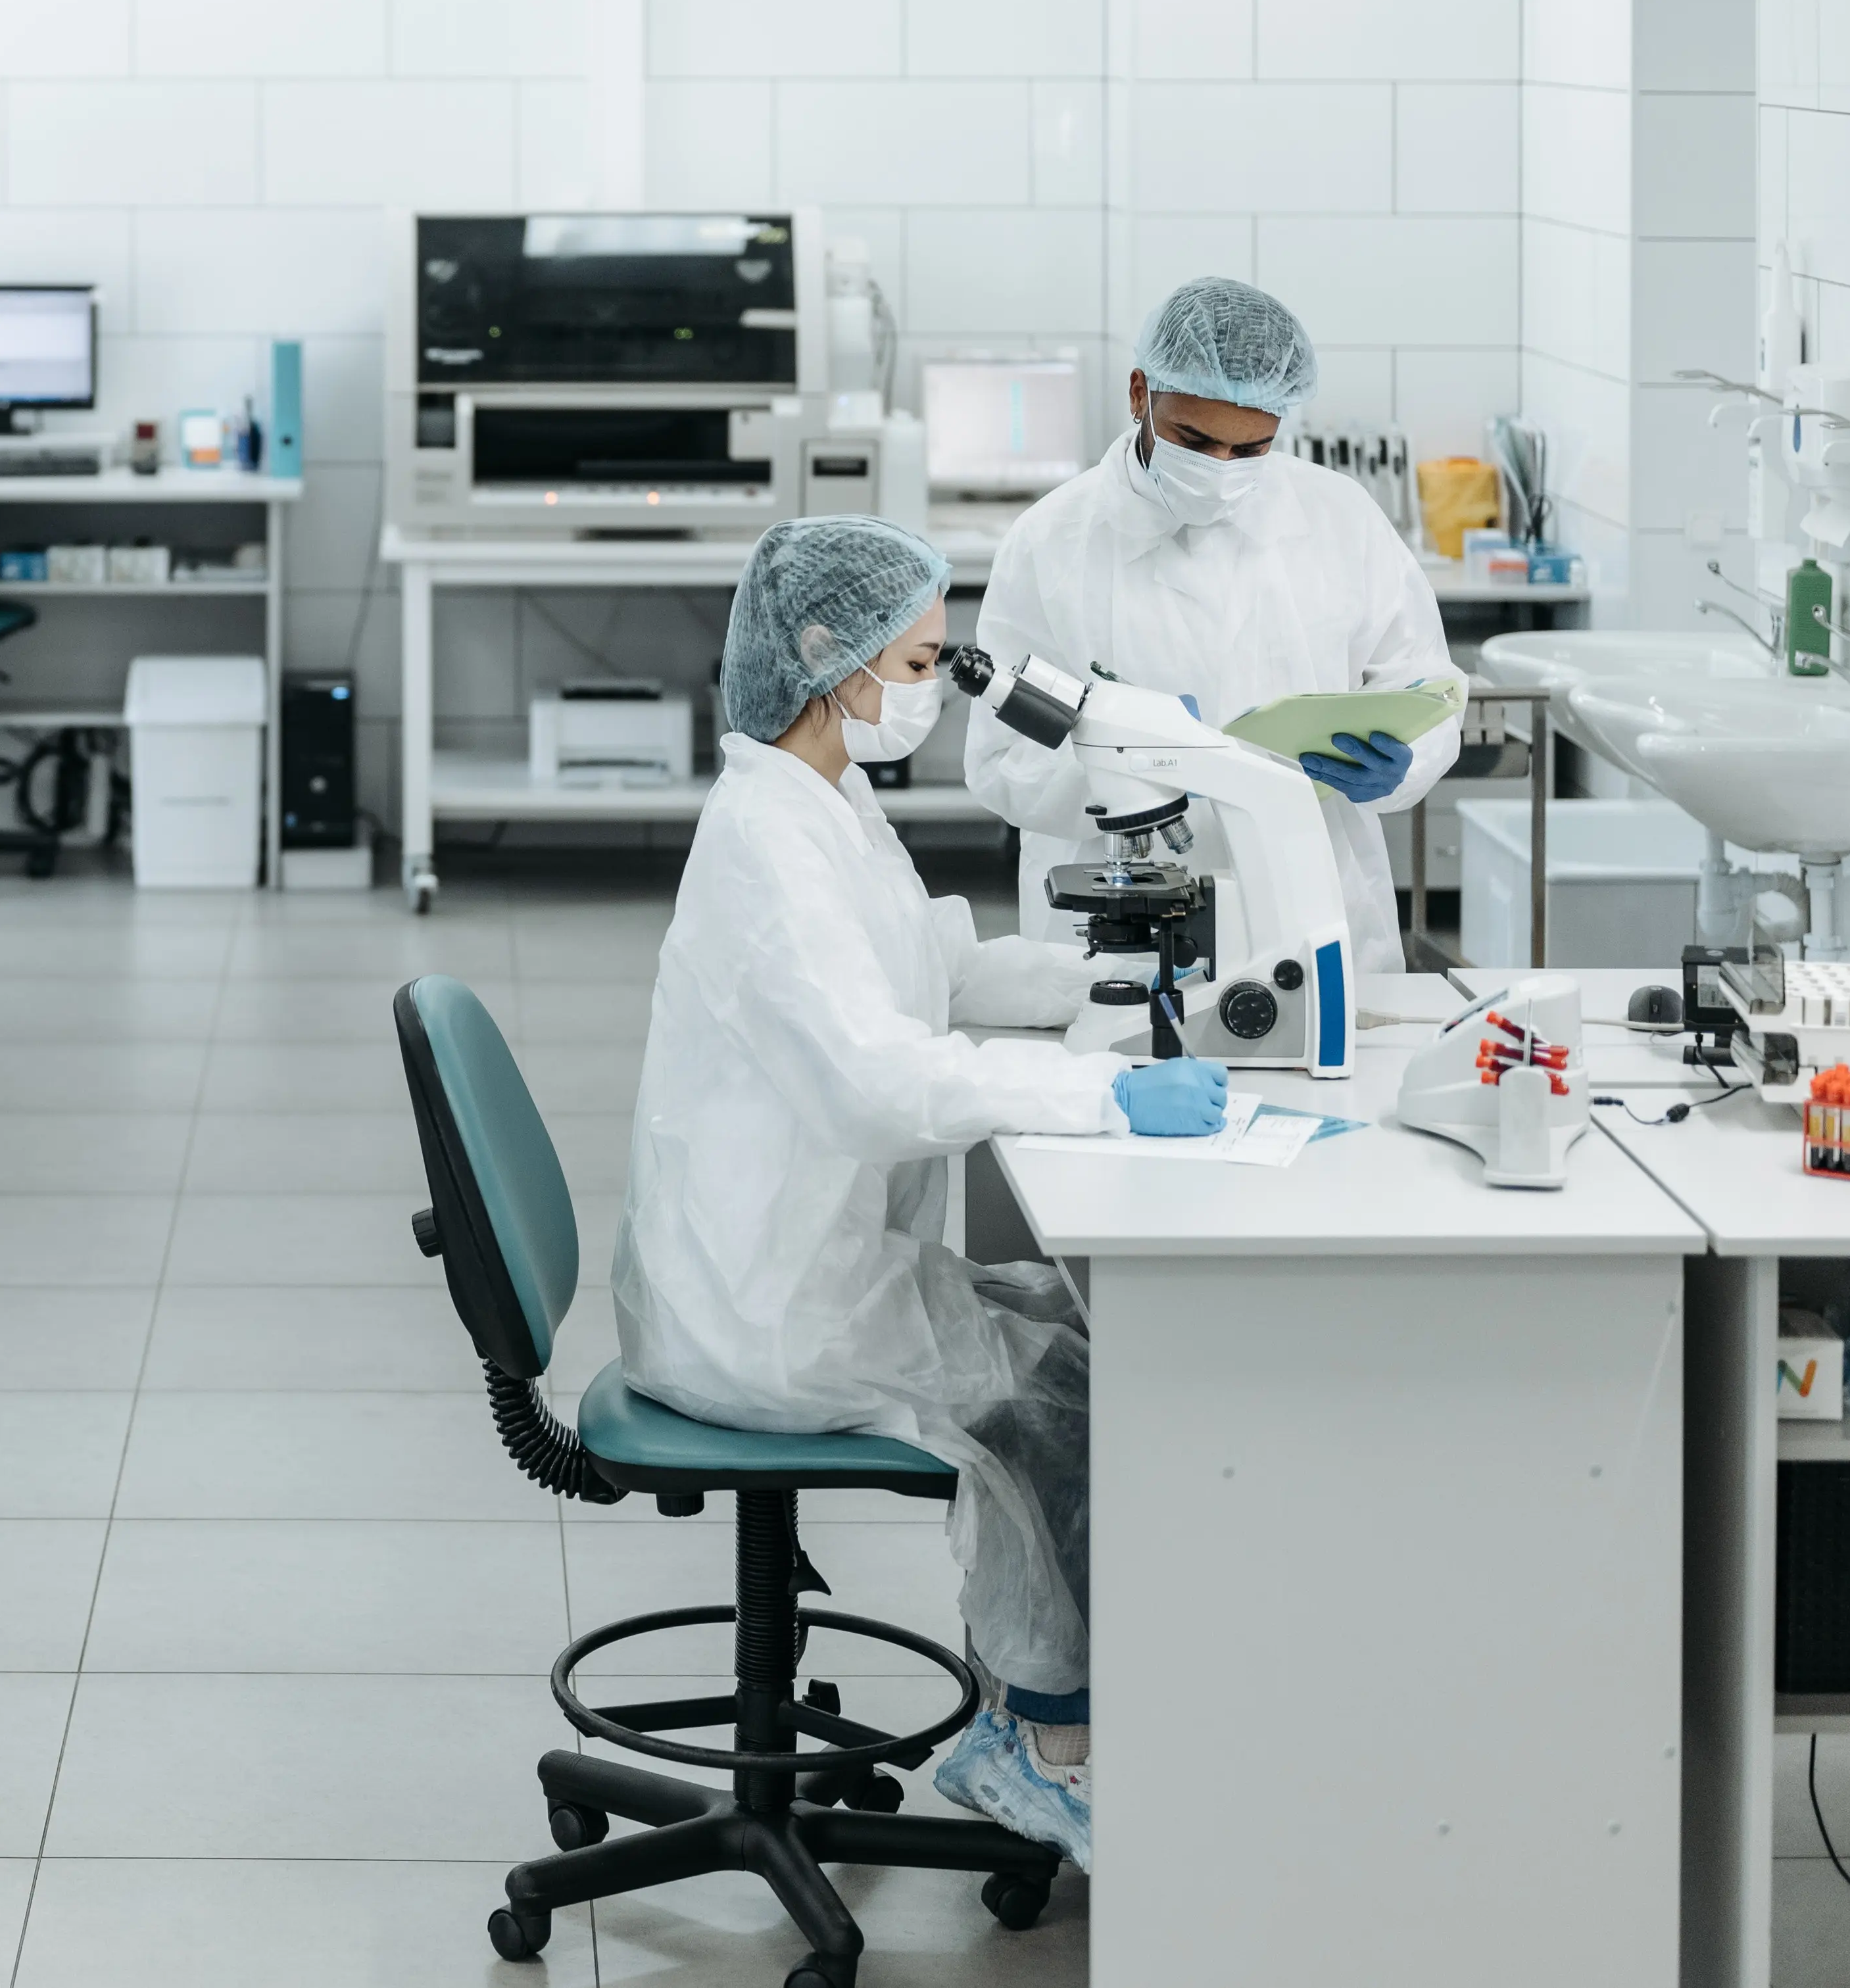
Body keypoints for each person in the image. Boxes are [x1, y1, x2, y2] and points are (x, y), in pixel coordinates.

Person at [610, 516, 1232, 1874]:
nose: (933, 682)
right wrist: (1100, 1094)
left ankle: (1025, 1688)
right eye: (919, 655)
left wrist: (1088, 984)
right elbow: (876, 1084)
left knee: (1067, 1336)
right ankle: (1040, 1738)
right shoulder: (767, 841)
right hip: (764, 1313)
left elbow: (921, 968)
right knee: (1063, 1398)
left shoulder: (822, 791)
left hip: (804, 1264)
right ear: (826, 655)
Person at [965, 278, 1463, 973]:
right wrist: (1133, 768)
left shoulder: (1337, 516)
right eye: (1191, 439)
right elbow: (1001, 758)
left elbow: (1423, 681)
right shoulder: (1052, 541)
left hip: (1312, 899)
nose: (1217, 470)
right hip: (1116, 922)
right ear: (1139, 393)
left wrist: (1402, 765)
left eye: (1249, 450)